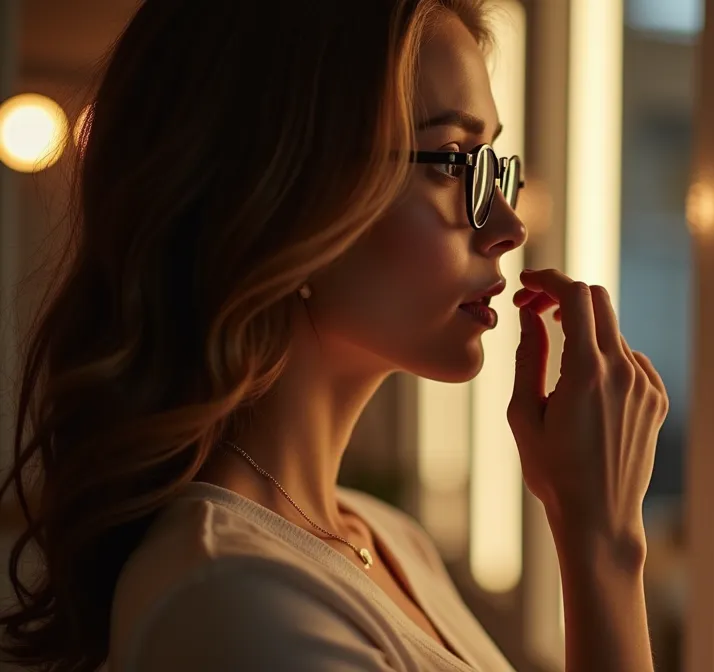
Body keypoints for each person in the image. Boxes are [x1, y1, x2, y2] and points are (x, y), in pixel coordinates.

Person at [0, 1, 666, 671]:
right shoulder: (235, 604)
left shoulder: (384, 537)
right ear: (281, 193)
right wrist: (602, 544)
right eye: (454, 162)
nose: (508, 225)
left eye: (494, 163)